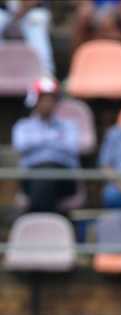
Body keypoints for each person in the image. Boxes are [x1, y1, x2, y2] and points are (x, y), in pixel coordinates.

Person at [12, 77, 80, 213]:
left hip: (64, 177)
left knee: (47, 172)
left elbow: (71, 147)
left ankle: (33, 219)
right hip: (30, 177)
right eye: (43, 99)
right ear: (35, 101)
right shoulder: (23, 126)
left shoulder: (68, 126)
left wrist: (38, 142)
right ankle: (52, 220)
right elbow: (21, 146)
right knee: (43, 176)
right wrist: (54, 139)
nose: (47, 103)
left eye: (51, 99)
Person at [0, 0, 54, 74]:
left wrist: (18, 15)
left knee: (35, 29)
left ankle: (46, 75)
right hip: (5, 11)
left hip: (34, 10)